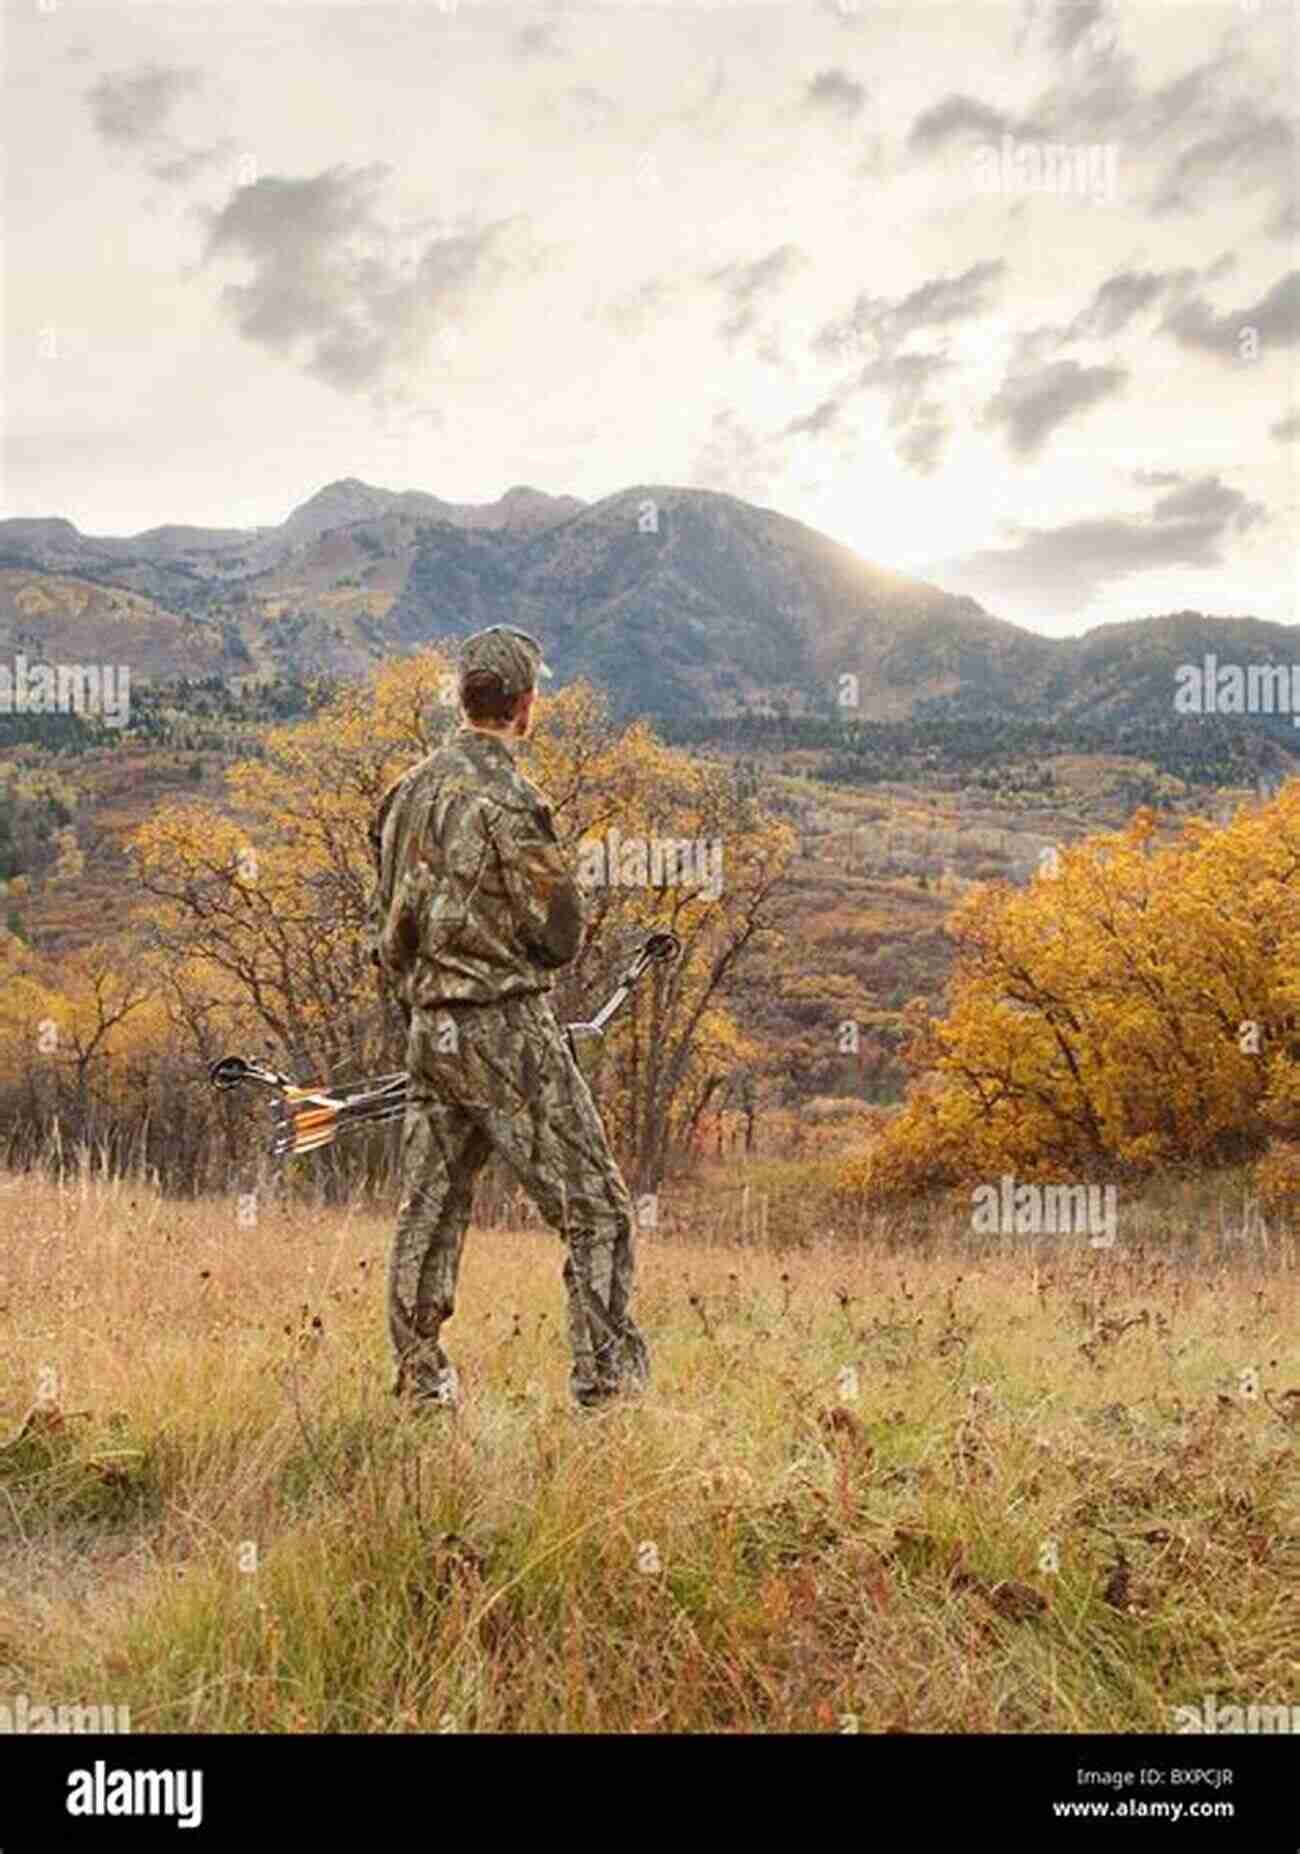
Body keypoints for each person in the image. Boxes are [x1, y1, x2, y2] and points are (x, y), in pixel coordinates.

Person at [367, 626, 650, 1412]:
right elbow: (560, 933)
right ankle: (608, 1394)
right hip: (502, 1030)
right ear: (525, 706)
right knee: (597, 1211)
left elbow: (381, 923)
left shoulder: (404, 794)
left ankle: (421, 1390)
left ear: (464, 696)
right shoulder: (513, 800)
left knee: (429, 1209)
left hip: (429, 1030)